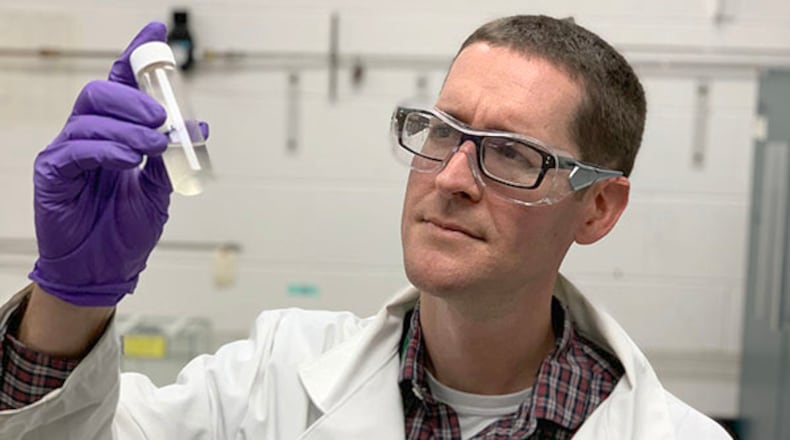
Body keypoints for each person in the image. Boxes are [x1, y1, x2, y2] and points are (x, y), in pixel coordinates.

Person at [0, 16, 731, 440]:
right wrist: (72, 296)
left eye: (511, 153)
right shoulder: (270, 381)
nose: (450, 178)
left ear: (597, 209)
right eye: (440, 132)